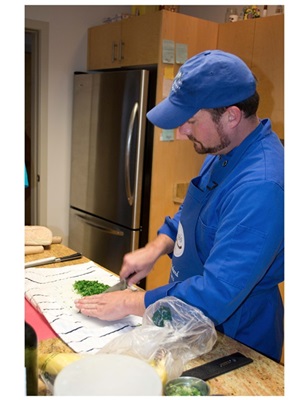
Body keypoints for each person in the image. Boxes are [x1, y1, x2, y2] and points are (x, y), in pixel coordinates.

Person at [75, 50, 284, 362]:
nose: (183, 132)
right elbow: (192, 214)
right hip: (190, 322)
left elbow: (216, 294)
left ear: (232, 115)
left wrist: (130, 303)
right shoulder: (223, 150)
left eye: (190, 121)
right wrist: (157, 247)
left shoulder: (263, 185)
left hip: (234, 338)